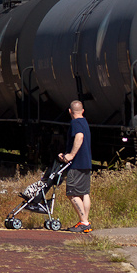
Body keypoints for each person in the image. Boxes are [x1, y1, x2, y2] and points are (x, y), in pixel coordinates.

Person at [59, 100, 92, 233]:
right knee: (84, 193)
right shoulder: (84, 122)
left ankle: (84, 222)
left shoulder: (75, 123)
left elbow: (79, 137)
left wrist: (71, 155)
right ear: (82, 111)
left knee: (72, 193)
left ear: (70, 111)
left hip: (77, 164)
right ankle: (85, 222)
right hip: (86, 162)